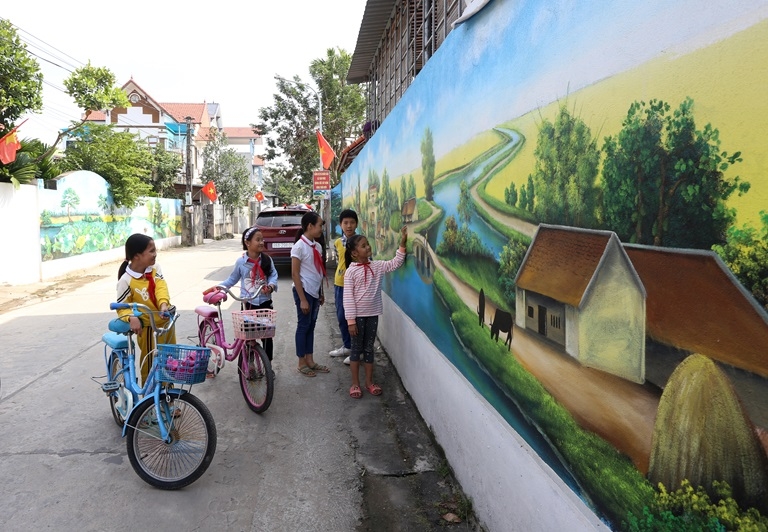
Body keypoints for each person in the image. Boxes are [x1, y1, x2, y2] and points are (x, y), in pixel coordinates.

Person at [343, 226, 408, 398]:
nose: (368, 247)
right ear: (354, 253)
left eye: (368, 244)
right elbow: (348, 298)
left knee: (369, 349)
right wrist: (350, 321)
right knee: (356, 350)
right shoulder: (350, 272)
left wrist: (402, 244)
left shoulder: (377, 266)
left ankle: (369, 382)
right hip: (356, 318)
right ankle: (355, 384)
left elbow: (395, 263)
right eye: (363, 246)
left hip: (372, 315)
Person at [209, 226, 278, 364]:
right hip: (248, 305)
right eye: (257, 240)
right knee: (248, 336)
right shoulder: (241, 262)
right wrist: (220, 288)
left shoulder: (266, 260)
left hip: (264, 304)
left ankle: (268, 365)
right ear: (247, 243)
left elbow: (273, 275)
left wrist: (270, 286)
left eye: (262, 239)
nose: (261, 242)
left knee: (267, 336)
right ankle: (249, 363)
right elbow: (232, 279)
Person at [115, 233, 175, 384]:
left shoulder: (155, 268)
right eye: (151, 251)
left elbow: (161, 287)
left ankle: (169, 401)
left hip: (165, 323)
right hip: (147, 328)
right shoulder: (126, 281)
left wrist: (163, 304)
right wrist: (131, 317)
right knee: (150, 364)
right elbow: (122, 308)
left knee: (169, 363)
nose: (155, 254)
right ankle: (149, 402)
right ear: (137, 256)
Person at [291, 210, 329, 377]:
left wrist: (320, 292)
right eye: (320, 225)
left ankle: (310, 360)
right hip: (304, 292)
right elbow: (295, 274)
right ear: (310, 226)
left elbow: (318, 271)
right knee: (303, 326)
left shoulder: (318, 246)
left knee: (311, 326)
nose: (321, 228)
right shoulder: (299, 247)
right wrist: (302, 299)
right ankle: (301, 363)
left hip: (314, 292)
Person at [329, 209, 359, 364]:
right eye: (345, 223)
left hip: (356, 286)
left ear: (356, 224)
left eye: (352, 222)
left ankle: (356, 351)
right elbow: (339, 261)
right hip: (340, 284)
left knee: (355, 319)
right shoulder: (337, 243)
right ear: (340, 225)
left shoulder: (360, 242)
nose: (349, 226)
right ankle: (347, 346)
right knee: (341, 317)